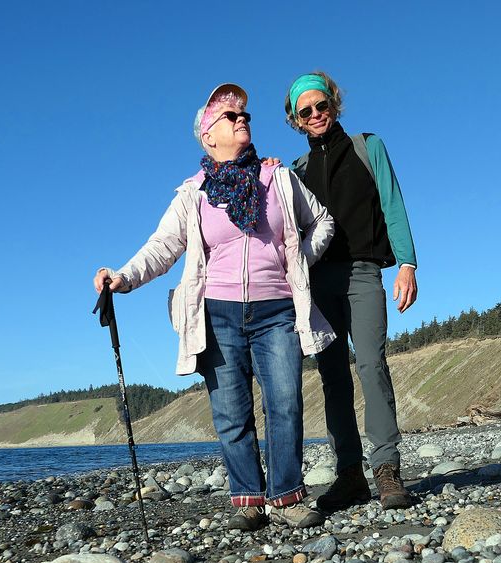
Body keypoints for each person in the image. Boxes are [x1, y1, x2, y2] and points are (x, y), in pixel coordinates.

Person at [94, 83, 335, 531]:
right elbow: (164, 245)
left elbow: (322, 220)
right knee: (230, 411)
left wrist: (300, 257)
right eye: (230, 116)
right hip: (216, 312)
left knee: (285, 402)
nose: (241, 119)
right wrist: (123, 277)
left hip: (277, 308)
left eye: (244, 114)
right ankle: (247, 498)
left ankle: (286, 496)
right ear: (208, 136)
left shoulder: (277, 177)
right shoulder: (194, 193)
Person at [283, 71, 419, 511]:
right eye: (306, 111)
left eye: (321, 105)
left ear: (334, 104)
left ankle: (387, 470)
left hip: (364, 273)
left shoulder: (367, 146)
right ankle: (349, 475)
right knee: (332, 379)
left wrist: (407, 263)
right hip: (318, 283)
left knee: (372, 364)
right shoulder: (296, 171)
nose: (316, 114)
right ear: (296, 120)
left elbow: (393, 204)